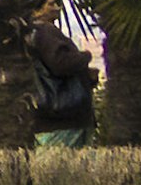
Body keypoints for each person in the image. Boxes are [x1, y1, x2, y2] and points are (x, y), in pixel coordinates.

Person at [31, 11, 99, 147]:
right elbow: (61, 64)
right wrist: (85, 57)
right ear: (36, 10)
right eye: (50, 4)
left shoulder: (28, 33)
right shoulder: (44, 31)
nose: (56, 8)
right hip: (65, 119)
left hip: (47, 120)